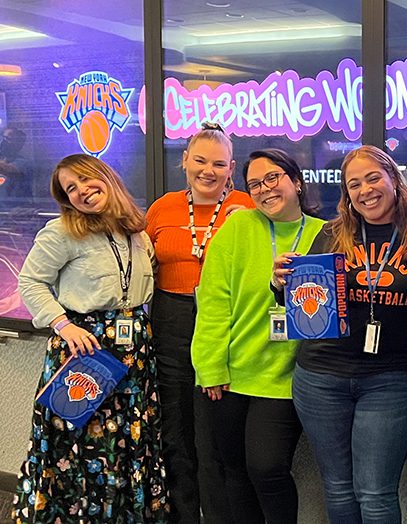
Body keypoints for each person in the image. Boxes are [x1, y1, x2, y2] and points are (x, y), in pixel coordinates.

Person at [272, 145, 407, 523]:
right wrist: (280, 283)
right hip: (322, 376)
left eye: (373, 178)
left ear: (394, 179)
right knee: (338, 488)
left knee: (375, 494)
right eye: (353, 184)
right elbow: (304, 293)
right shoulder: (332, 232)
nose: (365, 190)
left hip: (390, 379)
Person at [12, 153, 169, 522]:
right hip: (84, 353)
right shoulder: (62, 232)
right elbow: (30, 282)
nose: (82, 190)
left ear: (105, 177)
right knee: (79, 445)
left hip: (134, 356)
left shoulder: (138, 231)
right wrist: (63, 325)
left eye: (85, 179)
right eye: (71, 189)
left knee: (128, 442)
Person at [191, 149, 325, 524]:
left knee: (267, 469)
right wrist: (210, 366)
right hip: (231, 375)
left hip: (286, 378)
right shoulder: (237, 228)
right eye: (254, 184)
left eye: (273, 178)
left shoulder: (326, 233)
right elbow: (214, 301)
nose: (265, 189)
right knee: (234, 472)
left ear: (295, 181)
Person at [145, 121, 254, 523]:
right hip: (170, 323)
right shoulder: (162, 208)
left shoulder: (248, 208)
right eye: (200, 160)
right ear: (184, 161)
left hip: (226, 326)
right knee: (175, 434)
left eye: (219, 163)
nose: (209, 170)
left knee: (215, 441)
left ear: (232, 168)